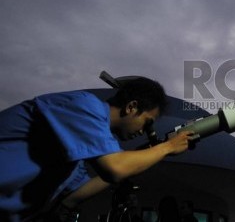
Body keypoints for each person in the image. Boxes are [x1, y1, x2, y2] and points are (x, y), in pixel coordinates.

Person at [0, 77, 193, 221]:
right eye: (147, 122)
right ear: (132, 107)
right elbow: (116, 169)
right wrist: (168, 147)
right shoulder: (85, 105)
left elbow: (74, 196)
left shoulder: (78, 153)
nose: (143, 131)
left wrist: (146, 155)